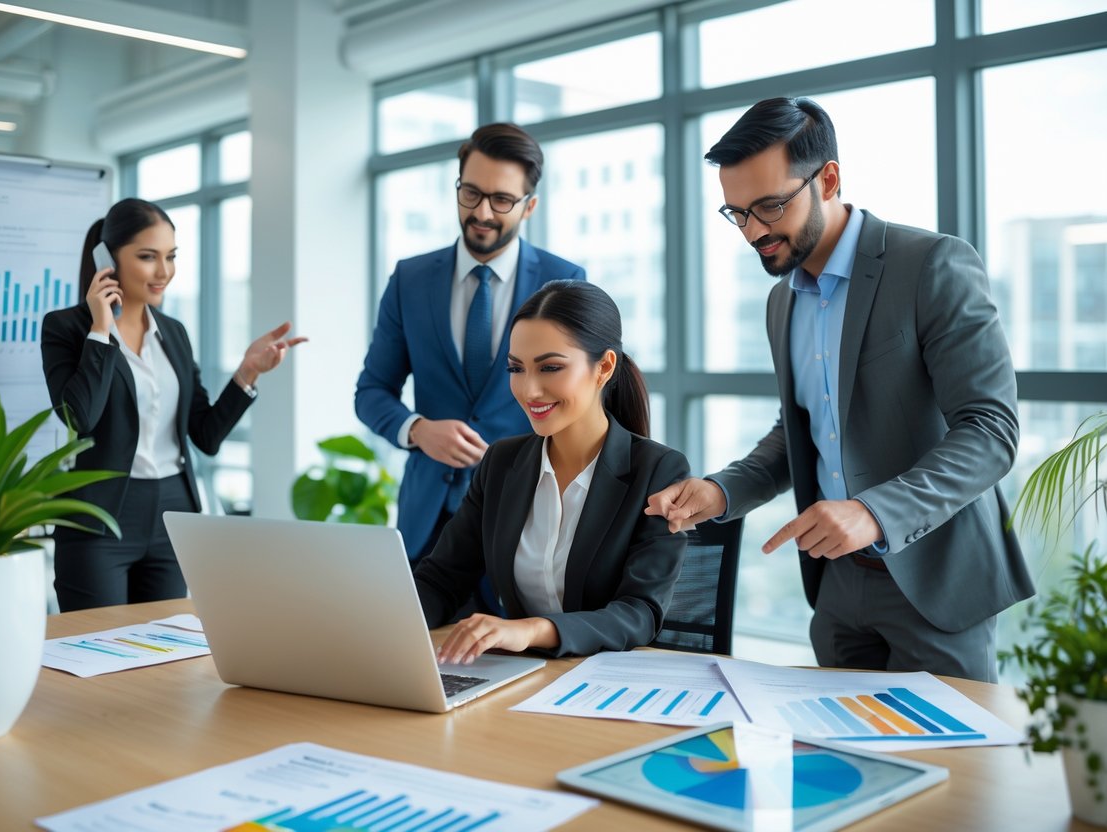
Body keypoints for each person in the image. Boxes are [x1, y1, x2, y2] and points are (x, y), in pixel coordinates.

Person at [646, 97, 1034, 683]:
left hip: (934, 578)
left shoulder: (931, 265)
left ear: (828, 179)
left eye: (770, 206)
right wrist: (721, 491)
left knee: (951, 771)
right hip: (836, 585)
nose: (754, 231)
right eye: (737, 214)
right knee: (843, 767)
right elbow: (799, 433)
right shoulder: (782, 301)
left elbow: (990, 432)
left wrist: (874, 512)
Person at [42, 197, 305, 611]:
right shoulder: (67, 328)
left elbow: (206, 435)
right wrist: (101, 329)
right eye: (148, 257)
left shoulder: (174, 333)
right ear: (106, 260)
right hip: (100, 518)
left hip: (172, 515)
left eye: (171, 256)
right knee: (95, 652)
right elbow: (79, 417)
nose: (164, 272)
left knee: (160, 653)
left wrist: (247, 373)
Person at [415, 280, 688, 661]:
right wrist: (379, 624)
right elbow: (442, 580)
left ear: (604, 367)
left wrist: (529, 630)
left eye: (550, 368)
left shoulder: (657, 471)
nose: (529, 390)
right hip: (518, 680)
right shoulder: (501, 463)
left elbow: (639, 612)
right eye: (516, 368)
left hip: (605, 685)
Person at [355, 123, 585, 566]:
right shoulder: (410, 279)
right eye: (470, 193)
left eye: (501, 200)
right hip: (429, 524)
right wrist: (418, 429)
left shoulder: (564, 283)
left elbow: (582, 406)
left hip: (527, 521)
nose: (481, 212)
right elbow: (371, 392)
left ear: (529, 206)